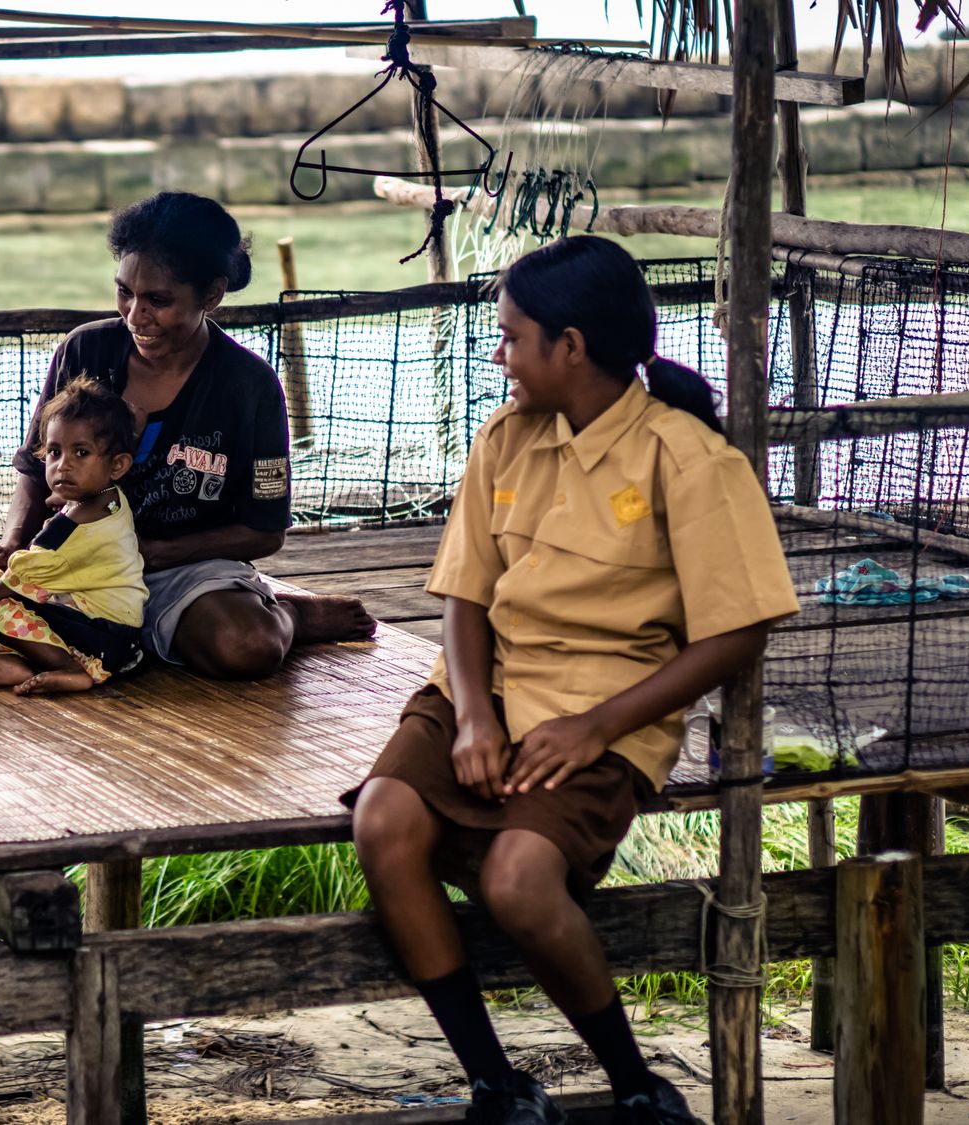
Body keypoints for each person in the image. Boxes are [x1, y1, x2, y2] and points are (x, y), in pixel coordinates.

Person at [345, 235, 800, 1125]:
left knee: (519, 880)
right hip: (487, 686)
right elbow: (467, 599)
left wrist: (596, 728)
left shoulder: (691, 459)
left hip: (610, 711)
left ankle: (635, 1081)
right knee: (383, 820)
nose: (499, 355)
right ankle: (495, 1082)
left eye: (512, 337)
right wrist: (473, 717)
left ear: (572, 347)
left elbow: (739, 628)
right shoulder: (506, 439)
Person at [0, 191, 373, 679]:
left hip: (182, 571)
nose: (135, 316)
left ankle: (289, 614)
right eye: (125, 293)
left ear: (211, 296)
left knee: (247, 647)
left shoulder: (249, 386)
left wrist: (149, 554)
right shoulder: (83, 350)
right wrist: (14, 547)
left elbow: (264, 530)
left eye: (158, 300)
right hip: (70, 558)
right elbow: (34, 468)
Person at [0, 378, 148, 695]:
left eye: (81, 453)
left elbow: (24, 572)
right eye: (54, 452)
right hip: (124, 638)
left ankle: (68, 669)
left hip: (102, 637)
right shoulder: (109, 499)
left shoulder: (73, 524)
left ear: (118, 465)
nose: (63, 466)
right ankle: (21, 666)